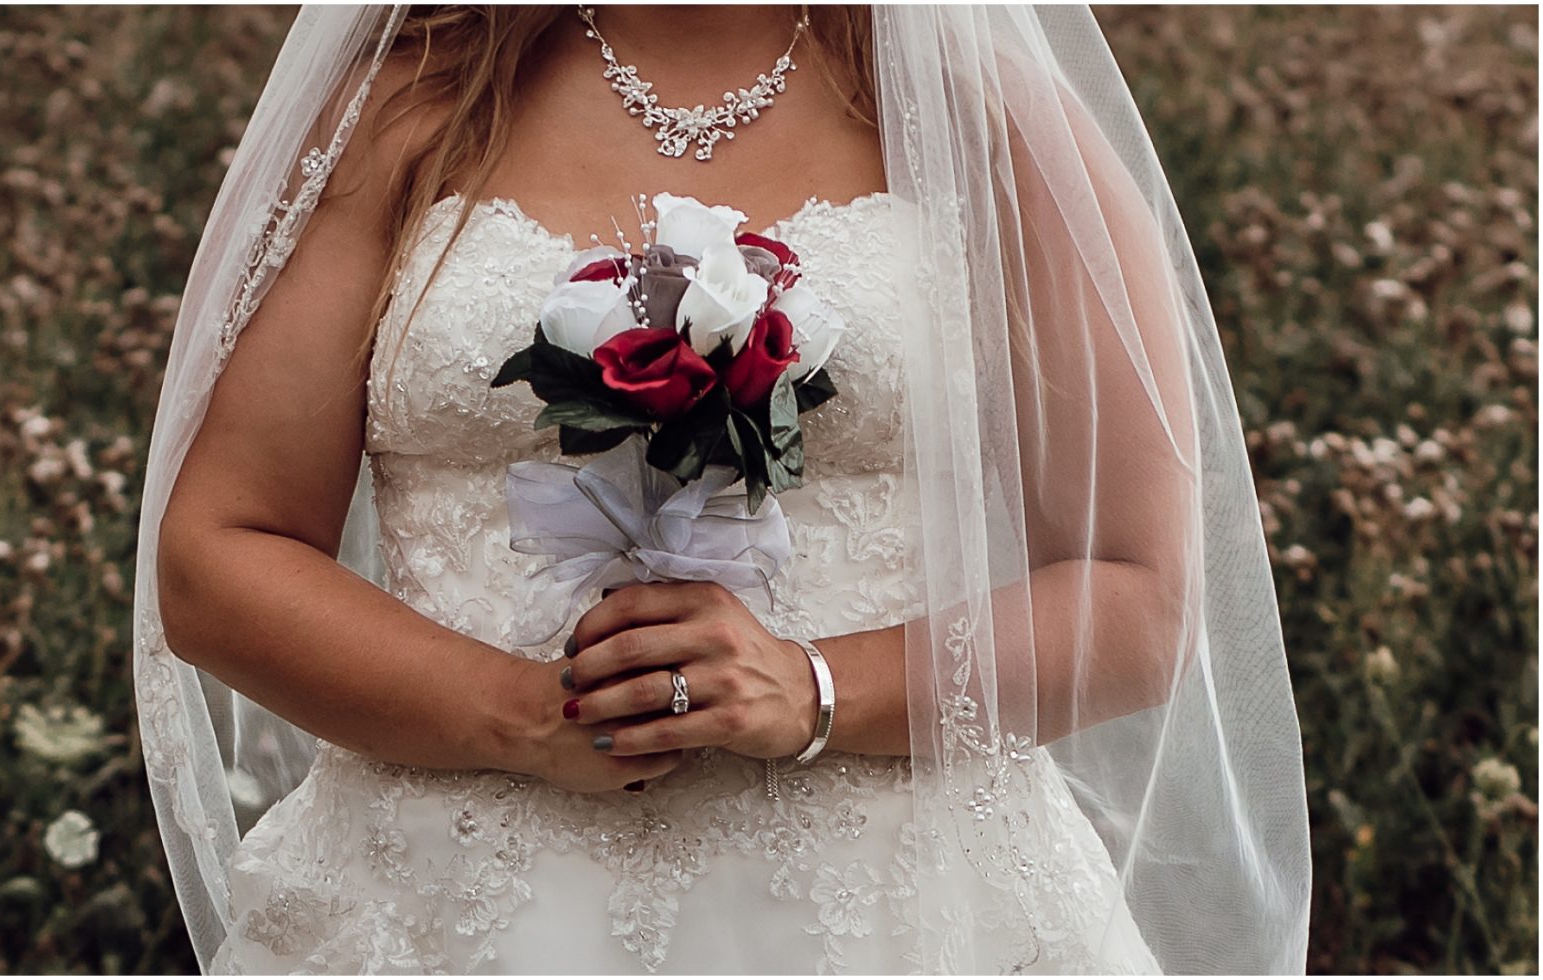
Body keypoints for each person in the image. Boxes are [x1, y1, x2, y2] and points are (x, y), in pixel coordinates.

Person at [135, 5, 1313, 974]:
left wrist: (813, 688)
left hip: (906, 913)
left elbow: (1139, 600)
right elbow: (216, 556)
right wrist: (512, 709)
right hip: (441, 903)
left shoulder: (989, 125)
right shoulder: (402, 111)